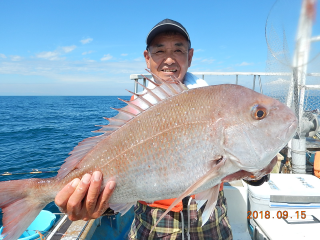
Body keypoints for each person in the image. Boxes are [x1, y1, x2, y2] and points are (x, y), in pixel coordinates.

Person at [55, 19, 274, 239]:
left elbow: (243, 166)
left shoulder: (215, 105)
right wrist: (94, 203)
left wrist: (259, 168)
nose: (169, 59)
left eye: (178, 50)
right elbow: (120, 188)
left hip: (212, 225)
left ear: (189, 56)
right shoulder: (132, 116)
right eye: (159, 51)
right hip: (152, 226)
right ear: (147, 58)